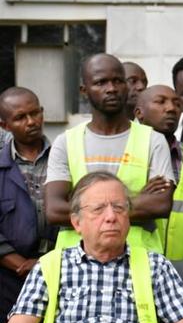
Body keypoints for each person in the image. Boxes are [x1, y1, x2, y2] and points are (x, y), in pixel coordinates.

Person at [2, 171, 183, 323]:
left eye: (119, 208)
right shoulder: (50, 266)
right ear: (76, 222)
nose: (111, 217)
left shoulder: (155, 266)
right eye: (98, 209)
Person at [45, 54, 174, 253]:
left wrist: (84, 206)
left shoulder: (153, 140)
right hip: (77, 265)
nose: (111, 88)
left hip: (137, 261)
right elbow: (53, 210)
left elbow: (160, 205)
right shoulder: (66, 142)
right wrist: (136, 199)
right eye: (101, 82)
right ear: (84, 91)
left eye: (118, 81)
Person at [0, 88, 56, 323]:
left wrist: (48, 263)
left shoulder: (63, 158)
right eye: (21, 117)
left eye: (35, 113)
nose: (31, 121)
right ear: (5, 124)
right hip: (9, 275)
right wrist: (23, 264)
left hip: (60, 269)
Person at [135, 85, 183, 261]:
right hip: (136, 270)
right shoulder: (125, 155)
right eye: (160, 102)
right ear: (139, 113)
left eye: (176, 104)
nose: (171, 109)